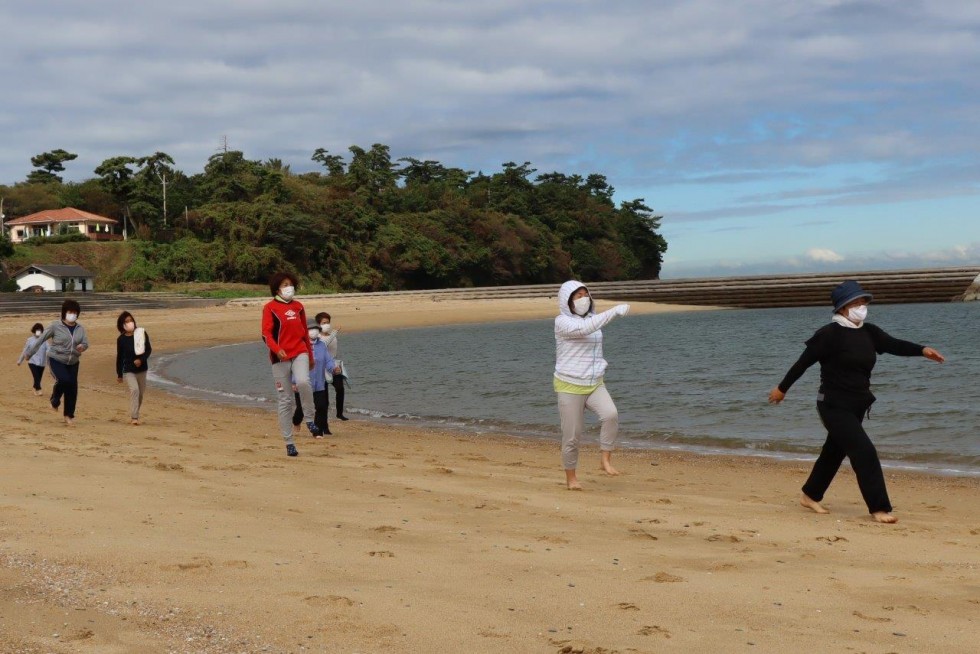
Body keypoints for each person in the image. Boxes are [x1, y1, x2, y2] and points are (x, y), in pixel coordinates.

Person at [768, 280, 945, 524]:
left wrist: (922, 350)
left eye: (863, 302)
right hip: (832, 405)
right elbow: (802, 363)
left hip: (858, 405)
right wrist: (782, 389)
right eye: (855, 302)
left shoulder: (869, 332)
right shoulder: (828, 335)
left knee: (833, 452)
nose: (861, 306)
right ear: (842, 308)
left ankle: (809, 495)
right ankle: (879, 508)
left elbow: (894, 345)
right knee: (864, 452)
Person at [554, 280, 631, 490]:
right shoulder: (562, 322)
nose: (583, 299)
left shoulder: (593, 320)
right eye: (578, 296)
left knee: (611, 415)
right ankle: (571, 478)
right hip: (569, 385)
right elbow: (583, 330)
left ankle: (605, 460)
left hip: (595, 383)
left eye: (585, 294)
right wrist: (613, 311)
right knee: (572, 436)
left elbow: (593, 330)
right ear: (567, 301)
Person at [261, 272, 320, 457]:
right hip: (280, 358)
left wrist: (310, 357)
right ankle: (289, 442)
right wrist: (276, 349)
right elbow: (266, 334)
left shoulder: (298, 306)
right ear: (277, 288)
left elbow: (304, 334)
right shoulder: (270, 308)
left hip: (299, 351)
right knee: (285, 400)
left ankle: (310, 419)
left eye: (291, 284)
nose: (289, 287)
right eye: (285, 284)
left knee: (303, 382)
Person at [24, 299, 89, 426]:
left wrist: (83, 346)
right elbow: (41, 339)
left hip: (73, 361)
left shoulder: (80, 329)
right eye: (70, 312)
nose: (73, 315)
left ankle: (69, 415)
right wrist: (29, 353)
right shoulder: (55, 326)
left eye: (75, 312)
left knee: (72, 388)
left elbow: (86, 343)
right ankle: (55, 400)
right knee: (64, 380)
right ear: (64, 312)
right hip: (56, 359)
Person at [291, 319, 341, 437]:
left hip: (319, 383)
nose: (313, 332)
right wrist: (293, 382)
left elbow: (328, 360)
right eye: (310, 329)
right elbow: (293, 364)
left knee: (321, 407)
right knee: (302, 408)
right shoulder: (299, 345)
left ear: (318, 331)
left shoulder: (321, 345)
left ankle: (317, 432)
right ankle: (296, 421)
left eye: (315, 329)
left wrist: (333, 369)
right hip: (302, 383)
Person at [115, 311, 152, 425]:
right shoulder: (121, 339)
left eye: (131, 320)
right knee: (134, 390)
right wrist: (119, 374)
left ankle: (136, 413)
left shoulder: (141, 333)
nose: (129, 323)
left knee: (140, 394)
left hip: (142, 369)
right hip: (129, 370)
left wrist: (141, 360)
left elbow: (148, 350)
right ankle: (134, 417)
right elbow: (120, 357)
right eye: (126, 321)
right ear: (122, 324)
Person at [315, 312, 349, 420]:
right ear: (318, 324)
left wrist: (339, 364)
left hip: (334, 366)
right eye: (324, 323)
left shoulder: (332, 336)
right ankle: (323, 420)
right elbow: (324, 345)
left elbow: (334, 350)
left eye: (328, 322)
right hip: (322, 368)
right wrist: (335, 332)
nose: (327, 324)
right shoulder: (317, 337)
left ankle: (339, 413)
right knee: (324, 396)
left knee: (340, 388)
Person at [17, 322, 48, 395]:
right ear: (34, 331)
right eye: (37, 330)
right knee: (36, 376)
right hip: (32, 361)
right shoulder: (30, 340)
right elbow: (25, 351)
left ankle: (34, 387)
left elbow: (49, 349)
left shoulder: (44, 340)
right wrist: (20, 361)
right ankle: (39, 389)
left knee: (39, 377)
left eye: (40, 331)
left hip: (42, 362)